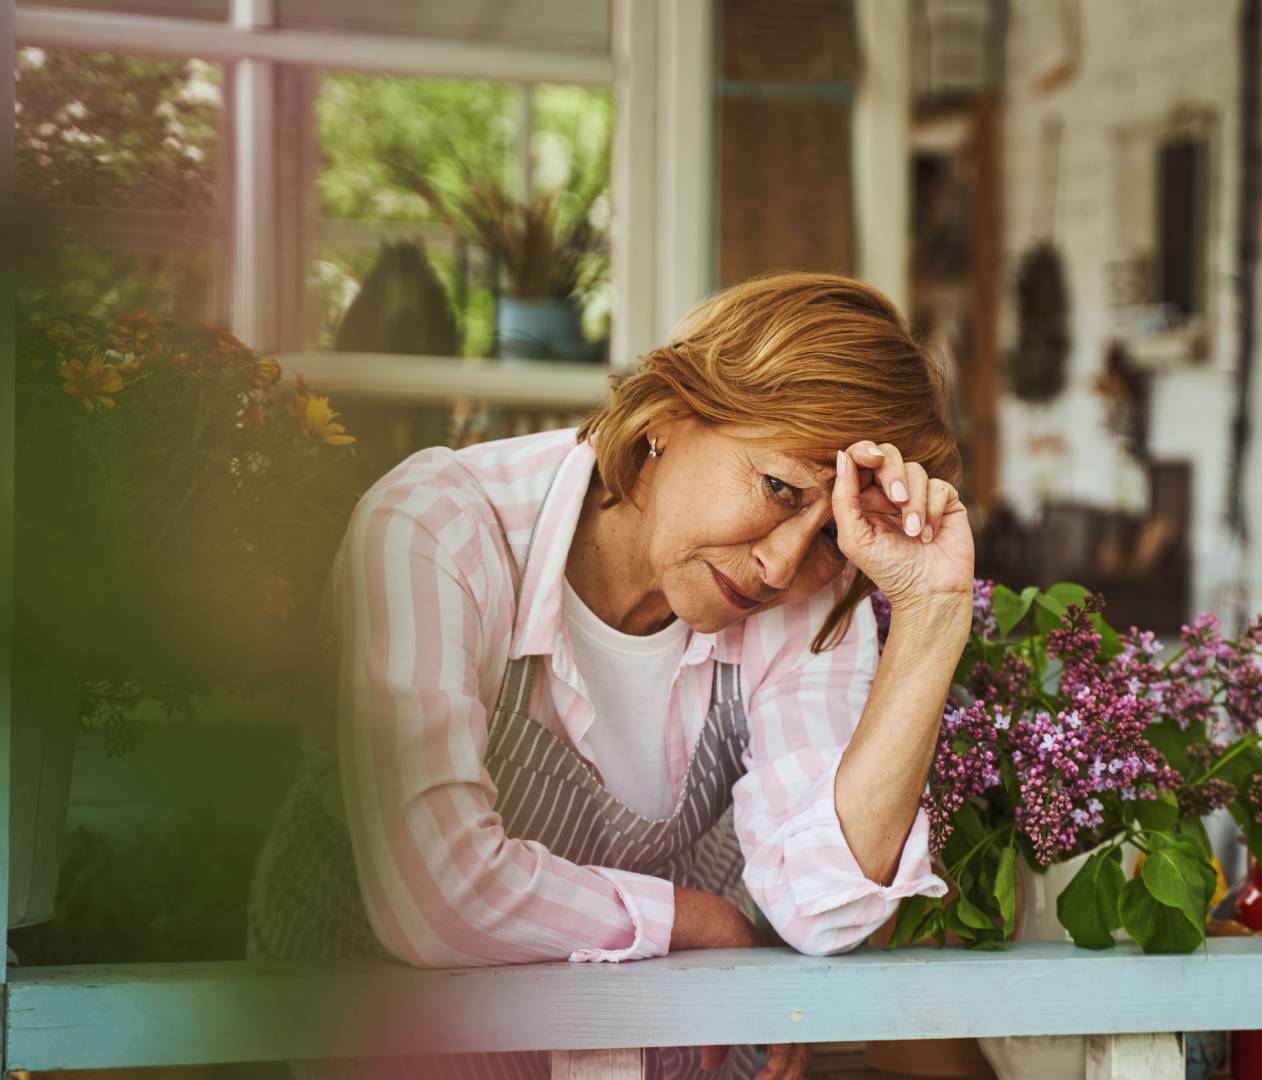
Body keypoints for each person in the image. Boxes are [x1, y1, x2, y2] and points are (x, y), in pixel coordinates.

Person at [248, 272, 973, 1079]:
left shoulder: (806, 590)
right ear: (667, 415)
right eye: (777, 487)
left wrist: (932, 612)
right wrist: (693, 920)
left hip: (634, 1045)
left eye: (834, 535)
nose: (780, 562)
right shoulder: (437, 529)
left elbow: (822, 903)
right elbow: (436, 899)